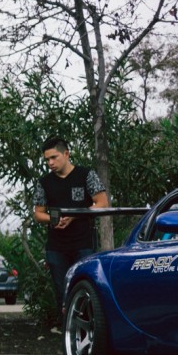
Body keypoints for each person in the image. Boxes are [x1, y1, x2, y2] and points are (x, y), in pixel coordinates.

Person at [32, 137, 108, 334]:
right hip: (56, 247)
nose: (50, 163)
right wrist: (53, 219)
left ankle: (89, 333)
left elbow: (102, 203)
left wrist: (74, 215)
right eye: (47, 160)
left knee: (85, 288)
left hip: (83, 243)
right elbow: (38, 213)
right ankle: (68, 336)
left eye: (54, 158)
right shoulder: (45, 182)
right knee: (62, 291)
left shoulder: (86, 175)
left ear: (66, 154)